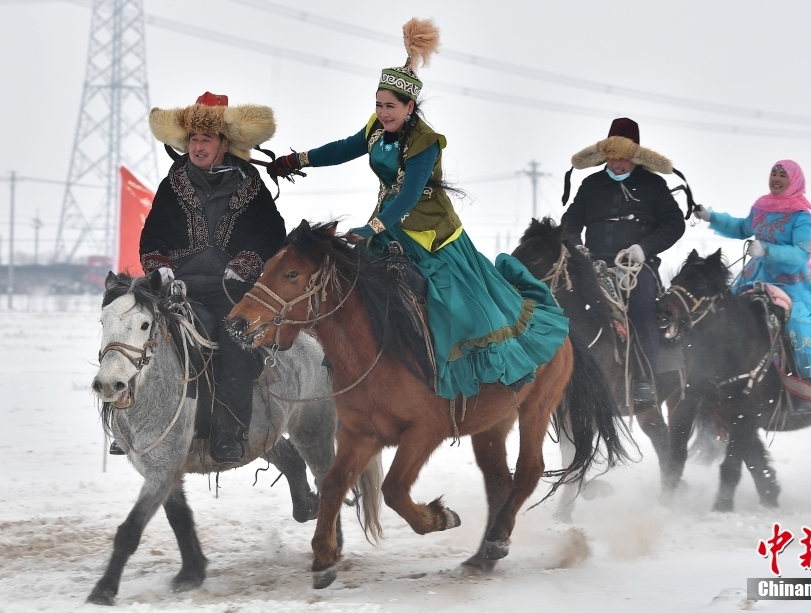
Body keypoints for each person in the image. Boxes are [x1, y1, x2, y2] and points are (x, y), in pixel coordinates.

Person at [271, 18, 568, 400]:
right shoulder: (375, 129)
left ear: (410, 107)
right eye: (378, 105)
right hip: (388, 227)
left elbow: (410, 195)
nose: (382, 112)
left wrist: (372, 228)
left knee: (457, 309)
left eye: (390, 106)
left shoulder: (426, 141)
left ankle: (487, 370)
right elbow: (344, 147)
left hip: (432, 233)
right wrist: (298, 159)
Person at [142, 92, 286, 463]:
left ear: (225, 144)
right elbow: (152, 234)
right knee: (137, 334)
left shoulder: (251, 186)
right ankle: (138, 424)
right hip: (179, 289)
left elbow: (272, 235)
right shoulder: (171, 184)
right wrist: (157, 263)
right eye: (193, 138)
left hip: (232, 292)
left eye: (206, 138)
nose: (198, 145)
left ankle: (228, 434)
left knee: (236, 344)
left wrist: (248, 262)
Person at [694, 160, 811, 417]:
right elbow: (740, 227)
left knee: (796, 330)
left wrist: (767, 249)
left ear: (794, 181)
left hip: (789, 285)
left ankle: (803, 392)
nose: (776, 179)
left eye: (783, 175)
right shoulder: (762, 207)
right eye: (774, 173)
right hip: (754, 280)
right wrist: (711, 217)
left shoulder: (800, 215)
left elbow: (801, 255)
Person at [562, 118, 686, 403]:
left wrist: (644, 248)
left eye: (623, 158)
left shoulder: (654, 185)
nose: (617, 163)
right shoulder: (591, 184)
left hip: (635, 267)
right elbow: (570, 222)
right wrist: (577, 248)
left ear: (635, 156)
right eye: (612, 157)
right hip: (592, 264)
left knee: (641, 306)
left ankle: (644, 378)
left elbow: (674, 224)